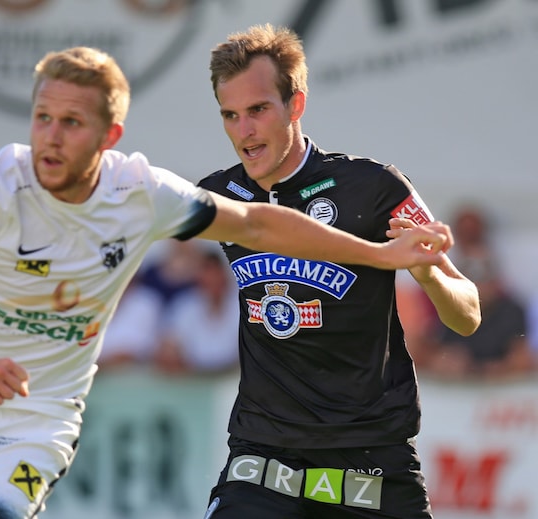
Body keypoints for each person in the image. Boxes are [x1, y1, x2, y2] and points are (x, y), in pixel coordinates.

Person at [0, 46, 455, 519]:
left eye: (71, 123)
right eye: (42, 118)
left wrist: (391, 258)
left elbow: (266, 225)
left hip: (35, 425)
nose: (51, 137)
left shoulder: (142, 194)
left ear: (109, 137)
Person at [197, 25, 481, 519]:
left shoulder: (372, 187)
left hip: (370, 462)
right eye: (230, 115)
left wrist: (430, 274)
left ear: (296, 105)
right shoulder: (217, 197)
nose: (244, 131)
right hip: (263, 459)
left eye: (259, 110)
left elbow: (468, 315)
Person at [423, 248, 534, 380]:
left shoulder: (512, 311)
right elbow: (433, 356)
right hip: (460, 390)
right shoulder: (448, 310)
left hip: (503, 390)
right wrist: (445, 360)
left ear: (496, 281)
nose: (479, 286)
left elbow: (522, 359)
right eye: (472, 277)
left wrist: (496, 369)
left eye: (484, 278)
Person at [153, 245, 240, 375]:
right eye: (207, 275)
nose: (212, 280)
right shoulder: (185, 306)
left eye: (215, 274)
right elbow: (168, 347)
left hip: (234, 377)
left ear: (224, 276)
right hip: (193, 378)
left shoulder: (241, 306)